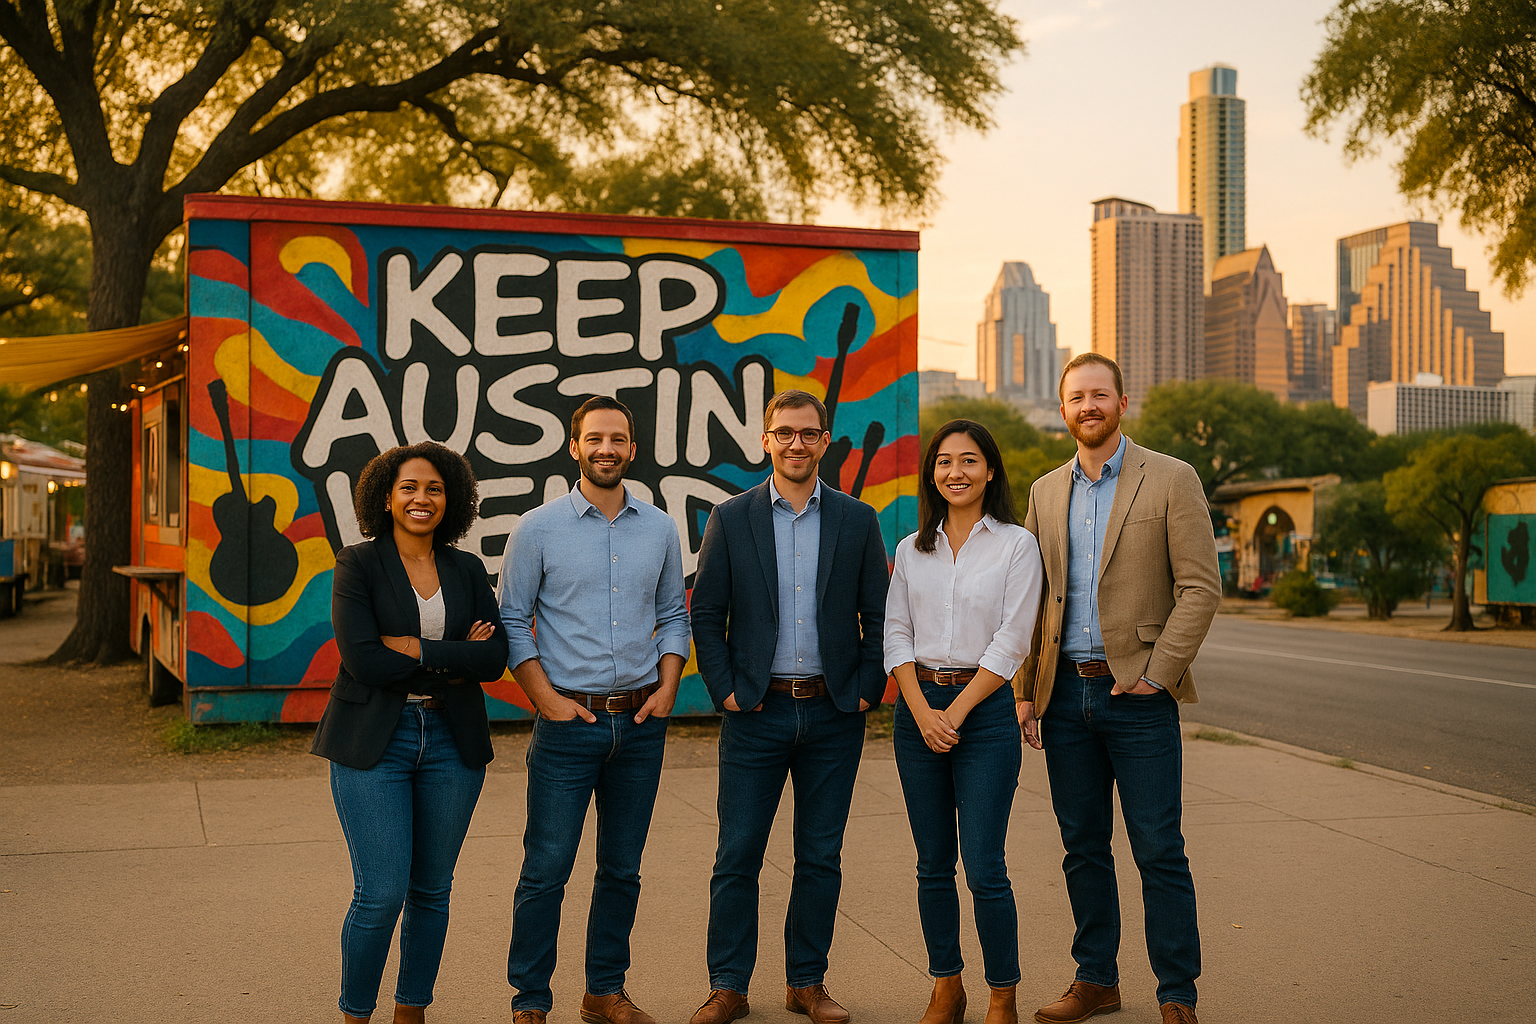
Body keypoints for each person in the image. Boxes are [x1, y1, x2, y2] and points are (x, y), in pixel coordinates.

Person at [1016, 354, 1221, 1024]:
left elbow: (1200, 586)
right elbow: (1034, 598)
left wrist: (1158, 673)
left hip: (1138, 697)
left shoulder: (1170, 478)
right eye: (1076, 397)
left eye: (1099, 395)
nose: (1088, 406)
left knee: (1159, 847)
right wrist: (1026, 690)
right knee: (1082, 847)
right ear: (1063, 407)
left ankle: (1177, 993)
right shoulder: (1046, 491)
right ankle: (1096, 980)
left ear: (1122, 402)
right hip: (1065, 700)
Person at [688, 389, 890, 1024]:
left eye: (809, 433)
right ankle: (729, 986)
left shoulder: (858, 520)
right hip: (755, 712)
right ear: (766, 440)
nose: (796, 443)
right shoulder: (731, 517)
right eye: (785, 433)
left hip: (834, 714)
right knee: (738, 852)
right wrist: (723, 688)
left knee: (819, 854)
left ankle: (806, 982)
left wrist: (864, 688)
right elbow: (707, 612)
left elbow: (879, 615)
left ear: (824, 441)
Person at [497, 396, 691, 1024]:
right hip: (567, 727)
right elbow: (511, 621)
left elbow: (672, 614)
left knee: (622, 870)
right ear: (574, 447)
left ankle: (604, 991)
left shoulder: (660, 527)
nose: (606, 449)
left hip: (640, 725)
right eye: (594, 439)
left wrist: (668, 689)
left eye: (618, 439)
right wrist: (546, 700)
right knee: (546, 868)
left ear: (633, 450)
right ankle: (530, 1001)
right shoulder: (537, 528)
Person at [312, 442, 509, 1024]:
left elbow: (495, 657)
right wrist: (456, 657)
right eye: (409, 488)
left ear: (452, 500)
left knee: (432, 890)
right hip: (375, 739)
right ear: (386, 497)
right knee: (382, 892)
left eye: (434, 489)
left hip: (453, 741)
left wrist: (420, 650)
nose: (422, 498)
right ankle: (356, 1014)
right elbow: (365, 662)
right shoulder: (357, 563)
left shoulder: (467, 568)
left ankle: (411, 1011)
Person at [884, 420, 1044, 1024]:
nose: (956, 472)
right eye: (945, 462)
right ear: (932, 474)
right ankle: (946, 985)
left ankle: (1002, 992)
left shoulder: (1015, 545)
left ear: (990, 471)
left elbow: (1012, 640)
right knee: (932, 863)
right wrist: (921, 710)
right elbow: (895, 632)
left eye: (969, 461)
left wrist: (954, 711)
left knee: (983, 865)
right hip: (917, 711)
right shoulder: (910, 548)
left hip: (985, 716)